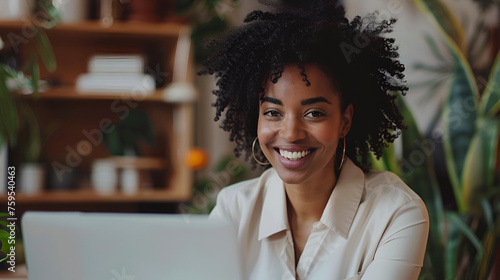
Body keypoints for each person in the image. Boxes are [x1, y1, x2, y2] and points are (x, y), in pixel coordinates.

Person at [201, 1, 429, 279]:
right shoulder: (234, 209)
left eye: (314, 113)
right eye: (273, 112)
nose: (291, 133)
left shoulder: (395, 213)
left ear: (345, 121)